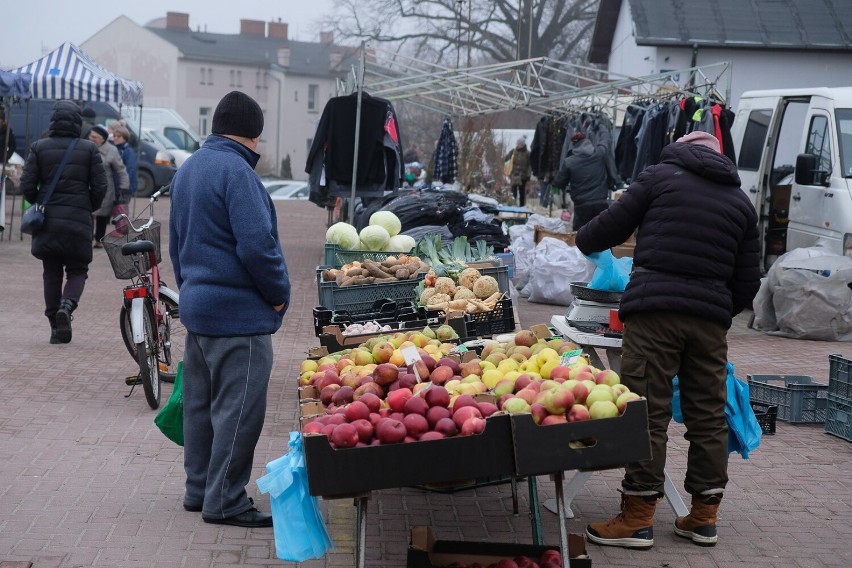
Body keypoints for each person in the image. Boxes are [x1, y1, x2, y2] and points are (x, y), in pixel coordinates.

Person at [575, 130, 761, 549]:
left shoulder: (659, 177)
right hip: (709, 323)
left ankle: (638, 517)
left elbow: (600, 232)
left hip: (654, 313)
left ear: (681, 148)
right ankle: (703, 516)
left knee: (647, 412)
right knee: (708, 415)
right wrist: (714, 308)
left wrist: (586, 239)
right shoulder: (740, 202)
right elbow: (749, 280)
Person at [168, 91, 291, 528]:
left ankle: (198, 489)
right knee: (238, 411)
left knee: (200, 408)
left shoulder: (188, 170)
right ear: (253, 136)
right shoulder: (238, 172)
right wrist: (278, 294)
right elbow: (258, 245)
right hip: (240, 316)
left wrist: (194, 292)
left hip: (199, 311)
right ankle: (225, 500)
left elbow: (177, 246)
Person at [20, 100, 108, 344]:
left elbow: (26, 185)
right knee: (78, 270)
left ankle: (54, 328)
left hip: (48, 220)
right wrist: (88, 205)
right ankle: (67, 307)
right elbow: (101, 185)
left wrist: (38, 201)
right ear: (77, 121)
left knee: (51, 272)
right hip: (78, 219)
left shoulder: (39, 147)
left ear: (53, 120)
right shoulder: (89, 149)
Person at [552, 130, 614, 230]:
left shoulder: (569, 162)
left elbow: (558, 184)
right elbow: (605, 140)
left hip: (582, 207)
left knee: (581, 239)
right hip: (601, 203)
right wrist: (602, 128)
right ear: (587, 141)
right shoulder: (600, 153)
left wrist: (559, 202)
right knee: (603, 237)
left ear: (573, 145)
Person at [88, 124, 129, 247]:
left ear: (102, 138)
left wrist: (124, 186)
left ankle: (99, 240)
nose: (91, 139)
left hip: (105, 187)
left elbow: (121, 169)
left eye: (94, 137)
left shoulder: (111, 150)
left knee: (102, 214)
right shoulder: (87, 147)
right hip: (87, 185)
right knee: (88, 214)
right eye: (90, 136)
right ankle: (87, 238)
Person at [504, 137, 531, 207]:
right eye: (517, 143)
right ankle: (513, 204)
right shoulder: (513, 151)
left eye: (519, 143)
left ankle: (522, 205)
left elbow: (530, 165)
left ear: (522, 144)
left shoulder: (527, 153)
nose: (517, 145)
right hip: (514, 174)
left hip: (523, 176)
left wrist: (528, 175)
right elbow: (506, 158)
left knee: (522, 191)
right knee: (513, 191)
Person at [112, 125, 138, 197]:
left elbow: (131, 169)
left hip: (124, 188)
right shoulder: (116, 149)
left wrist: (124, 185)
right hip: (116, 186)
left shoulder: (128, 151)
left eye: (118, 136)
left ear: (125, 138)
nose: (115, 138)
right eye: (114, 136)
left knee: (121, 207)